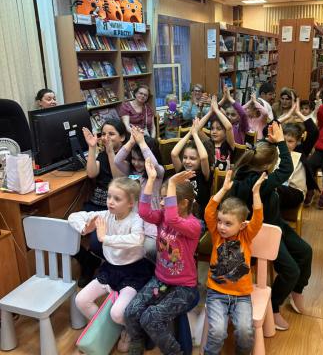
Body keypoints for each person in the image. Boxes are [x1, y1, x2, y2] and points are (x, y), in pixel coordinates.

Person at [230, 122, 312, 331]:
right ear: (268, 165)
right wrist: (281, 142)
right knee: (291, 270)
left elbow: (260, 153)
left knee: (305, 251)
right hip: (262, 233)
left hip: (275, 224)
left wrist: (270, 141)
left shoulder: (250, 169)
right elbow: (287, 168)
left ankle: (297, 291)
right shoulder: (257, 183)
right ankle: (273, 307)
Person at [69, 177, 154, 353]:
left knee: (117, 313)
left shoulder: (136, 219)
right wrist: (85, 227)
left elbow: (137, 239)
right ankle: (111, 328)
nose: (110, 202)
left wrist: (105, 238)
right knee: (81, 300)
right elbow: (73, 216)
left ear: (131, 203)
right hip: (110, 269)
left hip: (133, 272)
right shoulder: (105, 215)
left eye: (117, 199)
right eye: (109, 197)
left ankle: (129, 330)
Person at [125, 163, 202, 355]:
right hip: (161, 281)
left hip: (185, 288)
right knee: (131, 311)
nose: (161, 203)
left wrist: (173, 183)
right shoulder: (162, 217)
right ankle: (138, 341)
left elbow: (173, 219)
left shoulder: (193, 225)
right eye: (161, 198)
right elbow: (143, 212)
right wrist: (151, 179)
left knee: (150, 318)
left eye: (166, 199)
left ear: (183, 204)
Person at [203, 170, 266, 355]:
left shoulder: (246, 236)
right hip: (216, 293)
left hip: (242, 296)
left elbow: (258, 218)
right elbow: (209, 212)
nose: (222, 227)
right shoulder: (216, 235)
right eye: (220, 221)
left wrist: (256, 193)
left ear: (242, 225)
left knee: (245, 332)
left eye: (228, 223)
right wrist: (223, 190)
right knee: (217, 332)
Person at [77, 119, 127, 287]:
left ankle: (109, 266)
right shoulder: (102, 154)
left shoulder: (127, 154)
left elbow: (118, 180)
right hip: (95, 203)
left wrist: (111, 151)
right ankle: (88, 261)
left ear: (122, 137)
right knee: (67, 231)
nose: (106, 137)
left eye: (111, 134)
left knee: (96, 243)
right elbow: (91, 173)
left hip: (113, 206)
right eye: (104, 134)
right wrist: (92, 147)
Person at [114, 126, 164, 262]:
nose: (136, 163)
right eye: (134, 159)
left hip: (151, 219)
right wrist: (131, 141)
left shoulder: (158, 173)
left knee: (149, 248)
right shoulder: (131, 171)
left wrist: (142, 143)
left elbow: (153, 164)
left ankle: (155, 268)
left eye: (141, 160)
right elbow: (117, 161)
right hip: (134, 218)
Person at [280, 99, 319, 210]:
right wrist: (287, 116)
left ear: (297, 141)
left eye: (290, 141)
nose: (286, 144)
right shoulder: (278, 147)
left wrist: (298, 113)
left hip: (293, 187)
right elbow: (266, 130)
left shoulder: (301, 149)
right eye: (284, 140)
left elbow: (314, 131)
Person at [171, 117, 212, 219]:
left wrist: (195, 134)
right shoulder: (182, 171)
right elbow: (174, 153)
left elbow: (204, 157)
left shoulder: (203, 174)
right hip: (180, 216)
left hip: (198, 218)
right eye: (185, 157)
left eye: (192, 158)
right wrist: (190, 132)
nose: (187, 161)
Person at [199, 95, 235, 171]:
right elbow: (198, 129)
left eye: (219, 129)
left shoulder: (229, 143)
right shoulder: (209, 143)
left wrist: (216, 110)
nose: (214, 132)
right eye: (212, 128)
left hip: (225, 177)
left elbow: (229, 127)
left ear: (225, 132)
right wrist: (210, 112)